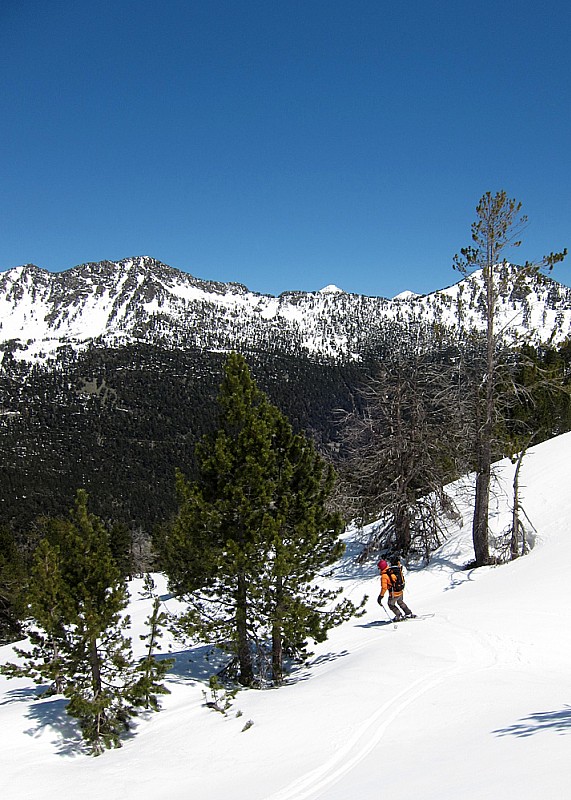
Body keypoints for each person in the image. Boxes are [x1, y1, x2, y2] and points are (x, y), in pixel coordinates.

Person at [377, 557, 415, 621]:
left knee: (391, 604)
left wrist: (380, 596)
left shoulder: (384, 576)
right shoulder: (392, 570)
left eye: (379, 568)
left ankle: (399, 615)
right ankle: (408, 613)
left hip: (394, 593)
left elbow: (384, 588)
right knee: (400, 602)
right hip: (400, 591)